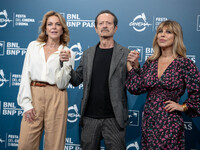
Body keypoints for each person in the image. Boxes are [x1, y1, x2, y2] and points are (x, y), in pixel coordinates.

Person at [60, 10, 130, 150]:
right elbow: (76, 80)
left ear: (115, 28)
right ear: (96, 28)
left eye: (108, 23)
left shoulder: (125, 53)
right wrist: (66, 64)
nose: (104, 26)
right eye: (101, 23)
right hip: (90, 118)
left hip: (114, 118)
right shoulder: (87, 54)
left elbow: (135, 85)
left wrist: (135, 67)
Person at [126, 20, 200, 149]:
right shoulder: (151, 62)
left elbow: (197, 92)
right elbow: (137, 88)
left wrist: (183, 107)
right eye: (160, 31)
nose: (162, 35)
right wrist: (132, 67)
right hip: (149, 121)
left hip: (170, 122)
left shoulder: (185, 64)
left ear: (176, 37)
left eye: (168, 32)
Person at [17, 11, 74, 150]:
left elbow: (62, 83)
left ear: (62, 29)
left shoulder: (68, 52)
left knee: (55, 145)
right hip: (34, 94)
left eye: (57, 24)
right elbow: (25, 75)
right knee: (26, 144)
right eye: (50, 24)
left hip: (57, 96)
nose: (53, 27)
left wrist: (64, 63)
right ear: (45, 29)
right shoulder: (33, 47)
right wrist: (26, 104)